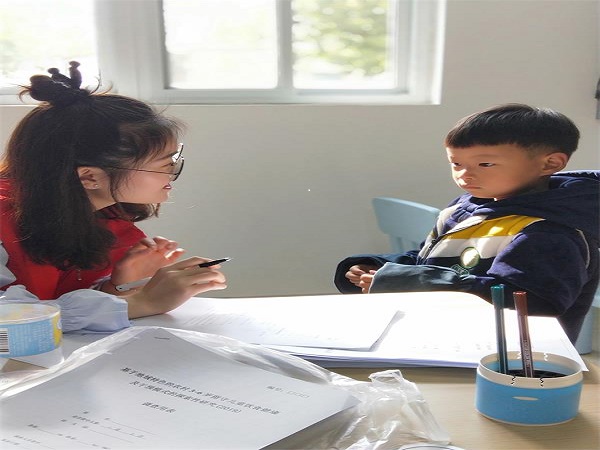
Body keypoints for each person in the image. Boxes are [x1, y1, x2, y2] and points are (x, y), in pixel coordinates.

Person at [334, 103, 599, 344]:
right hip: (448, 339)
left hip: (512, 359)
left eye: (485, 164)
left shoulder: (549, 231)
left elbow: (528, 303)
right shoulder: (466, 207)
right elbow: (434, 260)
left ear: (550, 163)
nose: (464, 175)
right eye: (456, 163)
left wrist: (414, 282)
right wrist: (381, 267)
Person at [0, 62, 227, 332]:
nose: (172, 172)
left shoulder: (102, 217)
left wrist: (118, 285)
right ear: (89, 177)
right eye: (165, 164)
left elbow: (62, 306)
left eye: (174, 160)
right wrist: (144, 301)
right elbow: (10, 323)